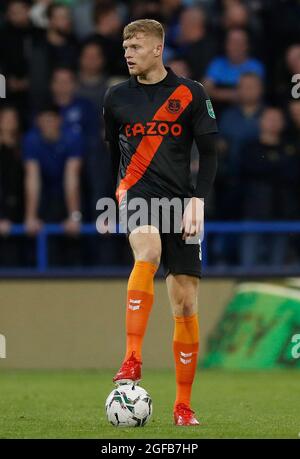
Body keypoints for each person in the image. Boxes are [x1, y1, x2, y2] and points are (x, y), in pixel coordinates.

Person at [103, 19, 218, 426]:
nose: (127, 53)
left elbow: (210, 152)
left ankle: (183, 406)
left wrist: (198, 202)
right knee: (148, 251)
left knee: (185, 303)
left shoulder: (190, 93)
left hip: (181, 203)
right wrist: (114, 196)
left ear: (157, 48)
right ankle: (132, 357)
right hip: (135, 194)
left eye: (134, 46)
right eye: (124, 47)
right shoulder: (116, 97)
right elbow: (109, 152)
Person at [23, 104, 84, 265]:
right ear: (38, 122)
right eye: (43, 121)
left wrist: (74, 216)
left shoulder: (73, 138)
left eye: (51, 120)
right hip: (45, 198)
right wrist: (30, 216)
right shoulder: (31, 140)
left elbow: (72, 180)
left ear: (59, 121)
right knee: (45, 246)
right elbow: (32, 179)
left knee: (74, 244)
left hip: (71, 197)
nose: (47, 124)